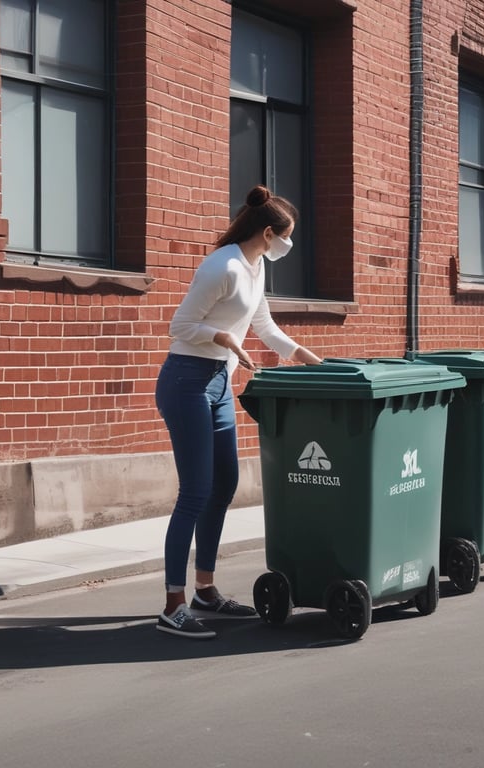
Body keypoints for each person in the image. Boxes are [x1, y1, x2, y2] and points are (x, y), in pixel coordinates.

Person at [154, 185, 322, 638]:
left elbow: (263, 323)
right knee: (195, 491)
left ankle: (204, 589)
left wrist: (309, 358)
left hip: (218, 384)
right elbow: (180, 326)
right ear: (268, 232)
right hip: (186, 380)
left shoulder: (255, 266)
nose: (289, 244)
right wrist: (226, 339)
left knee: (223, 483)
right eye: (286, 236)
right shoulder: (222, 266)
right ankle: (172, 604)